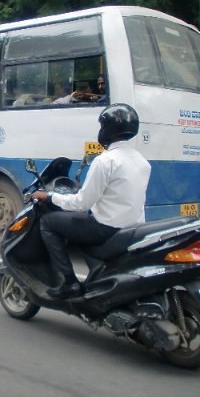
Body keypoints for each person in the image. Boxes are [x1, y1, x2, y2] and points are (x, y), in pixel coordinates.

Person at [30, 103, 151, 299]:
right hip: (132, 229)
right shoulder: (142, 161)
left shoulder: (105, 161)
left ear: (108, 130)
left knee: (48, 223)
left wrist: (50, 196)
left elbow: (82, 203)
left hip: (105, 228)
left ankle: (69, 282)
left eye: (102, 127)